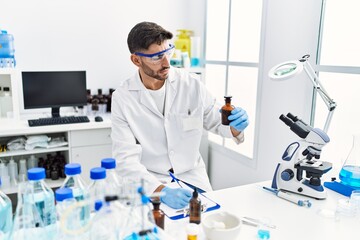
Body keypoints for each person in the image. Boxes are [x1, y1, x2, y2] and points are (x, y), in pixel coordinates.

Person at [111, 22, 249, 209]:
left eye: (168, 52)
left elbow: (216, 121)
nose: (167, 63)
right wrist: (161, 191)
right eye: (157, 57)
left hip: (192, 177)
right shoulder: (123, 98)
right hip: (151, 181)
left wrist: (234, 126)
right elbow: (124, 160)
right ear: (136, 60)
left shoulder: (191, 85)